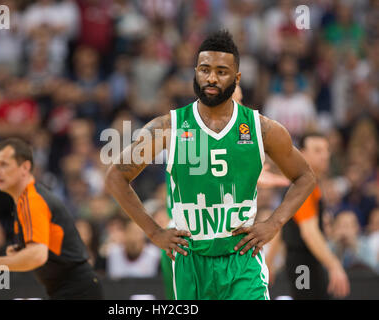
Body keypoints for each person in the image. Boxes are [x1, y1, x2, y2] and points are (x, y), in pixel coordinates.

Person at [105, 30, 317, 300]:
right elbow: (115, 177)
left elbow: (305, 176)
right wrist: (154, 231)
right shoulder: (168, 127)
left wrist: (274, 223)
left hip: (241, 258)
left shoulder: (261, 128)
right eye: (204, 70)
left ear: (237, 78)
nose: (212, 78)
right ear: (195, 73)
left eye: (221, 71)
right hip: (190, 259)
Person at [0, 138, 103, 300]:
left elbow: (38, 256)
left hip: (76, 290)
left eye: (4, 164)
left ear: (25, 167)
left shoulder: (32, 200)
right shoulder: (25, 200)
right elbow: (44, 252)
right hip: (68, 289)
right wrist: (19, 254)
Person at [277, 132, 350, 299]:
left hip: (305, 260)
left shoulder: (307, 183)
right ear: (301, 153)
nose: (325, 155)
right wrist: (334, 265)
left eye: (326, 150)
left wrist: (268, 263)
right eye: (317, 150)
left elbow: (279, 227)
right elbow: (309, 232)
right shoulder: (302, 186)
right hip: (303, 263)